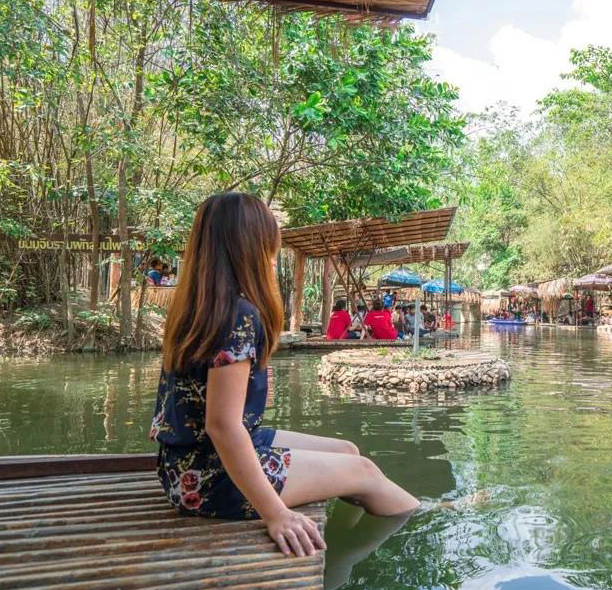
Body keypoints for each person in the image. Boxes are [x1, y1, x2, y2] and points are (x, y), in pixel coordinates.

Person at [151, 193, 418, 559]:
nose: (273, 256)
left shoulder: (198, 307)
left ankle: (344, 552)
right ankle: (419, 521)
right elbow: (223, 427)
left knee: (348, 451)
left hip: (181, 466)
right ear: (251, 247)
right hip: (207, 477)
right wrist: (276, 514)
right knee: (365, 471)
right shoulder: (238, 314)